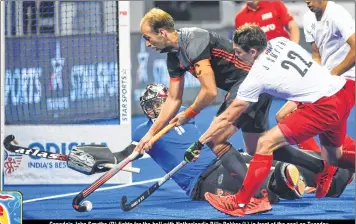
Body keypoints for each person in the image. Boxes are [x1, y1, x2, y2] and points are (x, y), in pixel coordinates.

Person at [135, 10, 331, 213]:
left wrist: (190, 113)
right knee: (258, 148)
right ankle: (322, 167)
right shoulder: (173, 59)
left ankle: (254, 197)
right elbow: (174, 100)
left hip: (249, 85)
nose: (148, 44)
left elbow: (209, 91)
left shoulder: (194, 39)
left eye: (148, 38)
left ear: (162, 32)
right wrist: (151, 135)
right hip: (253, 89)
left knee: (215, 139)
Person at [66, 84, 351, 205]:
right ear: (148, 109)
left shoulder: (183, 121)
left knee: (280, 168)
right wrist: (98, 162)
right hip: (204, 180)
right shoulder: (145, 131)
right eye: (154, 104)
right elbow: (123, 156)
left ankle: (334, 178)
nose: (159, 107)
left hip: (229, 157)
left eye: (162, 101)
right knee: (276, 183)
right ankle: (280, 188)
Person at [185, 25, 354, 216]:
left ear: (253, 51)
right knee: (334, 157)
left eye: (239, 52)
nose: (236, 56)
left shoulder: (256, 76)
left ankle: (243, 203)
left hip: (324, 105)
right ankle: (324, 169)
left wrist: (200, 142)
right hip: (344, 90)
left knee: (264, 144)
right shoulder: (280, 42)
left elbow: (227, 116)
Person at [275, 0, 356, 152]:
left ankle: (325, 167)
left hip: (346, 81)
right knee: (283, 115)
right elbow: (316, 55)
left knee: (330, 141)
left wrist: (331, 76)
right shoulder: (308, 18)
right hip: (324, 81)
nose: (307, 1)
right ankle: (322, 163)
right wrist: (310, 79)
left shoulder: (337, 14)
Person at [235, 0, 300, 43]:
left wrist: (293, 47)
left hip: (283, 51)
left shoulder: (276, 4)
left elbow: (292, 27)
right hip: (260, 60)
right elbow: (242, 44)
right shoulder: (239, 18)